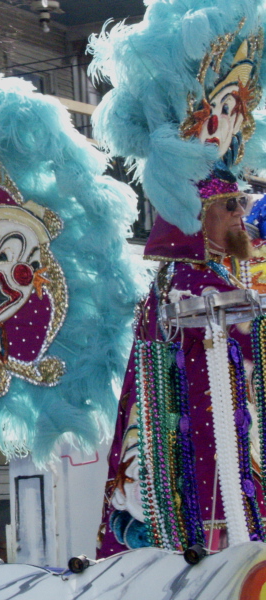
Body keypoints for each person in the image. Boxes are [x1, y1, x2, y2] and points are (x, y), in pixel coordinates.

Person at [97, 179, 262, 557]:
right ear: (197, 217)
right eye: (230, 204)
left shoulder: (204, 275)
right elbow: (245, 344)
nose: (241, 212)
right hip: (202, 452)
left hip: (219, 443)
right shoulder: (191, 281)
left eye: (242, 202)